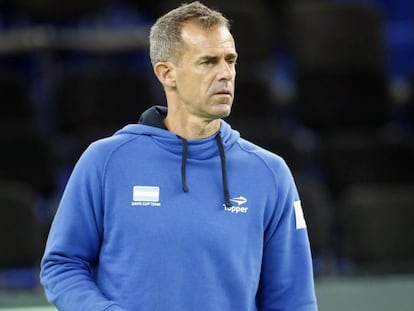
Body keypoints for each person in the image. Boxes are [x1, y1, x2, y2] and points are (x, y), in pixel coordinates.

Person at [40, 2, 318, 310]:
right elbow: (62, 265)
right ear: (166, 73)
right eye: (208, 62)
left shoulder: (269, 172)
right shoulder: (105, 161)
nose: (225, 74)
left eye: (230, 60)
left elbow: (293, 299)